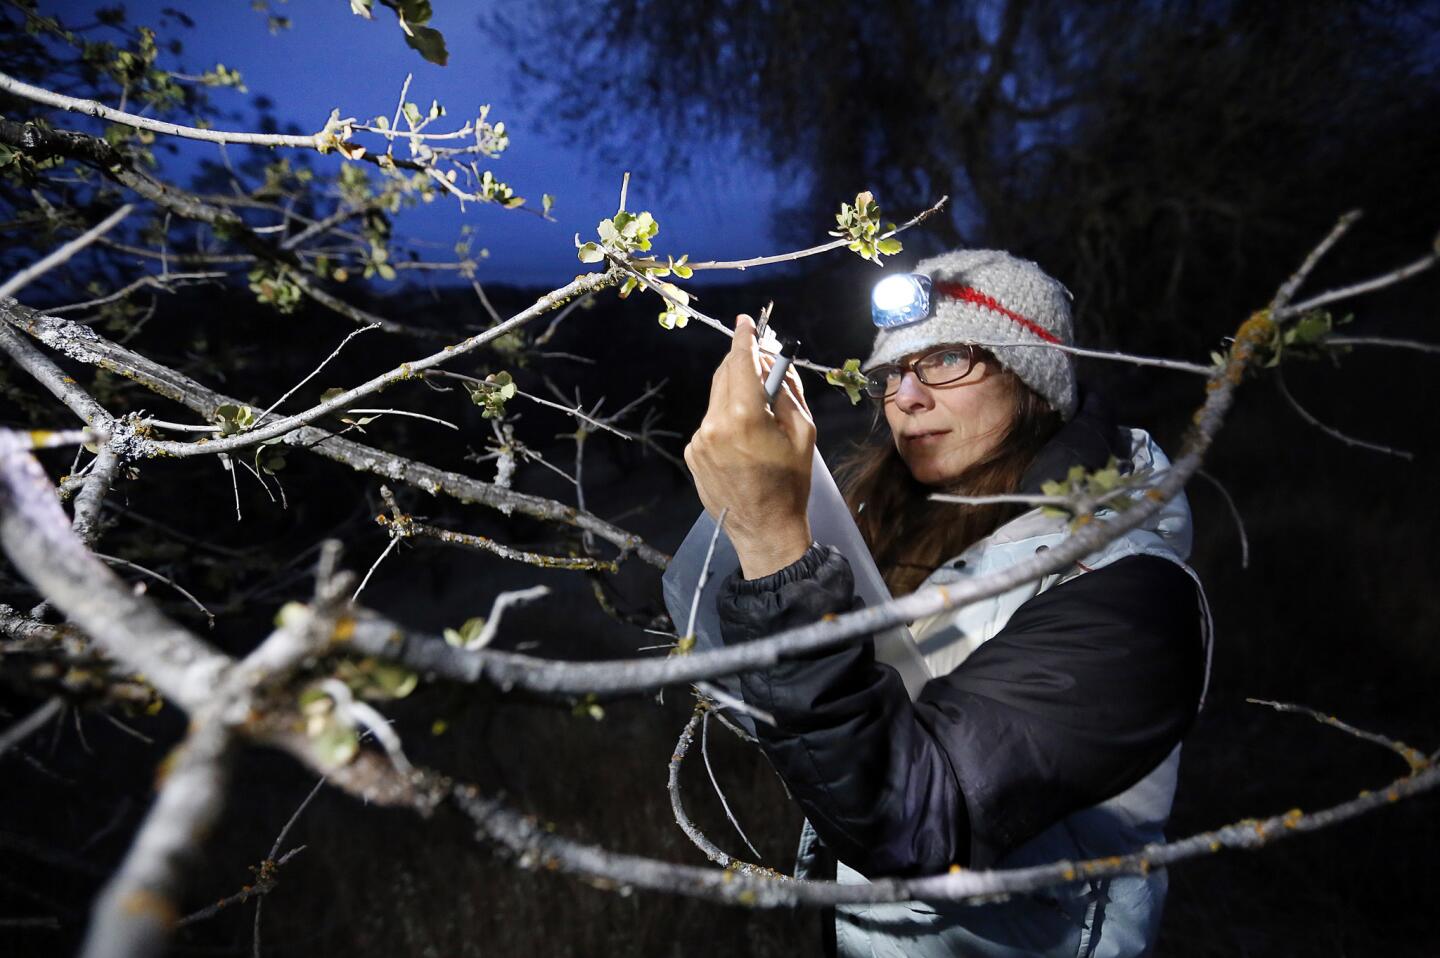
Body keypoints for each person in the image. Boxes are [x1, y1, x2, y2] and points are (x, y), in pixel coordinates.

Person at [682, 249, 1212, 957]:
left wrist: (773, 540)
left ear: (1035, 381)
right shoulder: (894, 531)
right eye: (892, 372)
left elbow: (911, 814)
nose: (906, 396)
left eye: (947, 359)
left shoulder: (1132, 593)